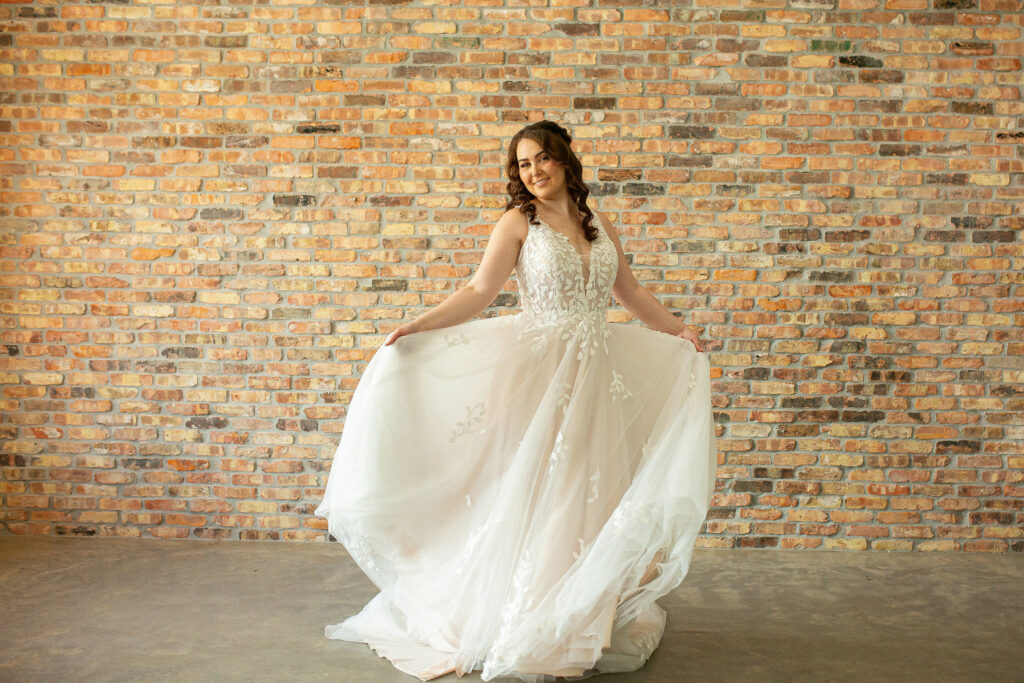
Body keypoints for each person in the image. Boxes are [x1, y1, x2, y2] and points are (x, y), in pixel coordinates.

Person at [314, 120, 718, 682]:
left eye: (544, 159)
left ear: (567, 160)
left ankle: (575, 625)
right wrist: (416, 325)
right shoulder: (517, 223)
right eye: (525, 164)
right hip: (540, 375)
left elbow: (630, 292)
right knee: (543, 490)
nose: (535, 172)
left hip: (595, 375)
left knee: (587, 493)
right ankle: (528, 623)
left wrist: (679, 331)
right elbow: (480, 291)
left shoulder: (596, 223)